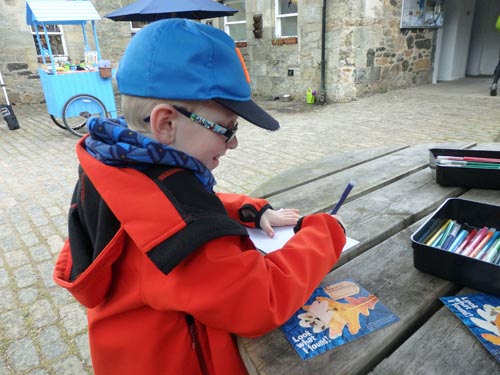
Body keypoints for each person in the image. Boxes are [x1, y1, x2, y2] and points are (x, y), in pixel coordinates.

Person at [53, 19, 346, 375]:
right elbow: (261, 300)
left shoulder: (116, 163)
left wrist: (249, 210)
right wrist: (326, 232)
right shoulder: (183, 238)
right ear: (166, 124)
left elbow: (168, 207)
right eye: (227, 129)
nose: (234, 142)